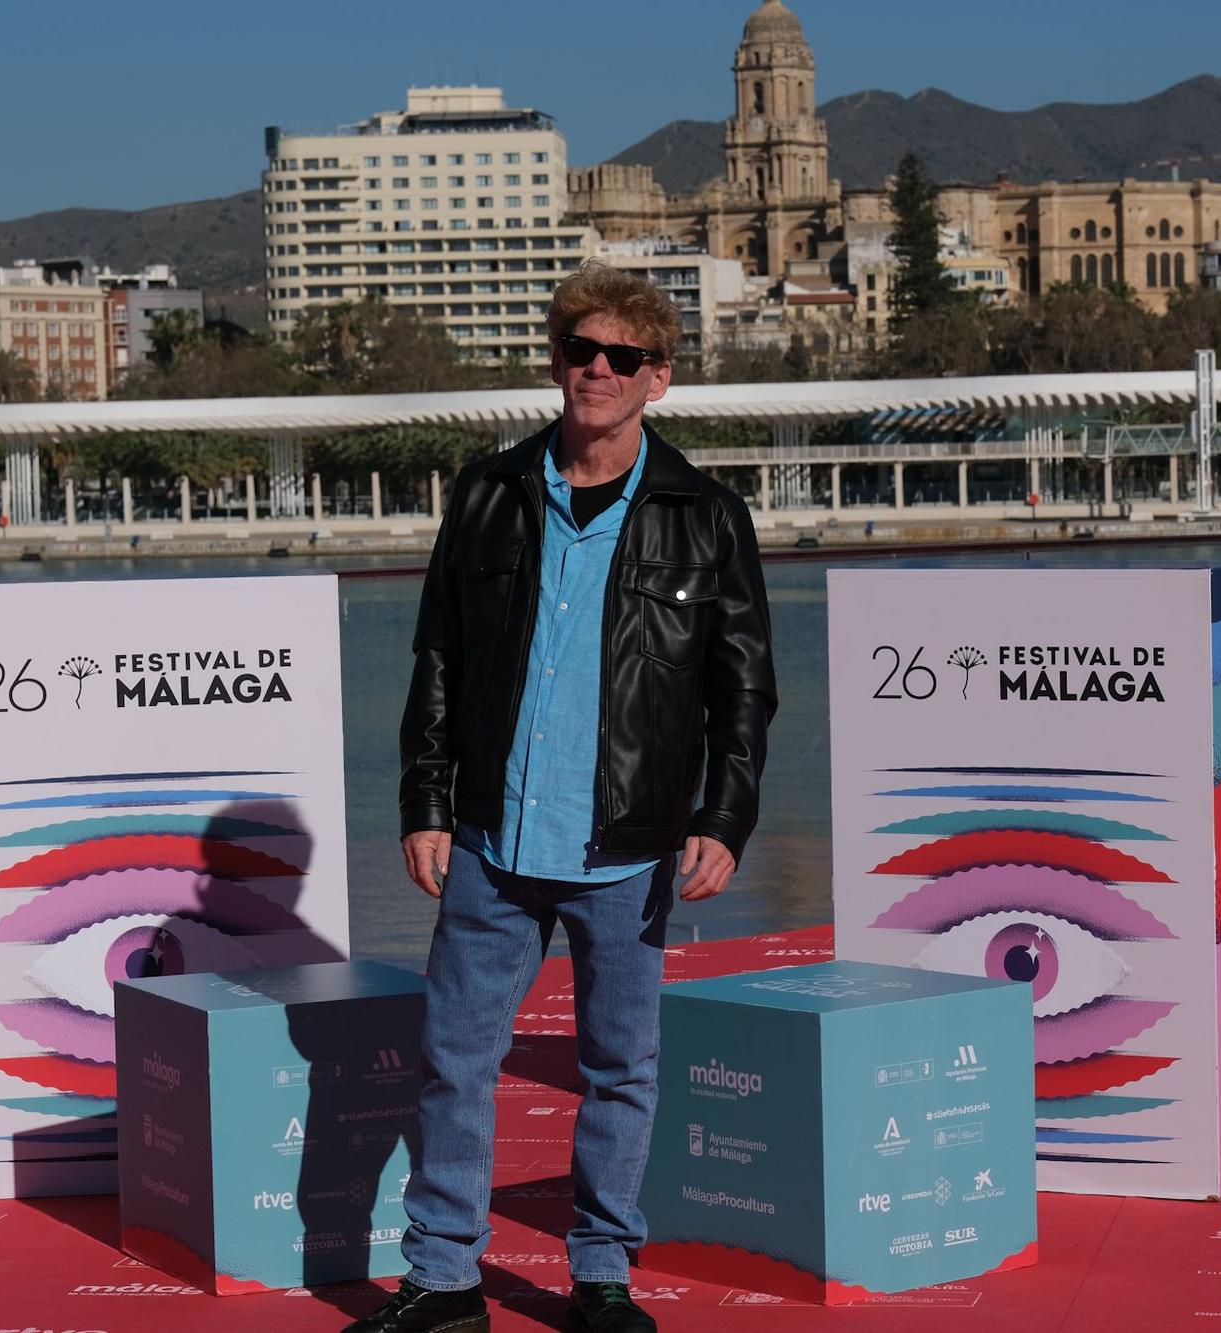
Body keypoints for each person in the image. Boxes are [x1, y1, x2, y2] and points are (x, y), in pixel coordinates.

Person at [350, 263, 778, 1333]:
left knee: (619, 1071)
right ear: (556, 363)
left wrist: (722, 820)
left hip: (628, 848)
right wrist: (424, 801)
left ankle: (598, 1278)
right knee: (454, 1064)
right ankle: (443, 1282)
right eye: (578, 352)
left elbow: (742, 688)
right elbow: (437, 657)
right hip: (491, 839)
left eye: (620, 358)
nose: (596, 371)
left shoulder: (706, 515)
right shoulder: (488, 492)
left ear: (657, 379)